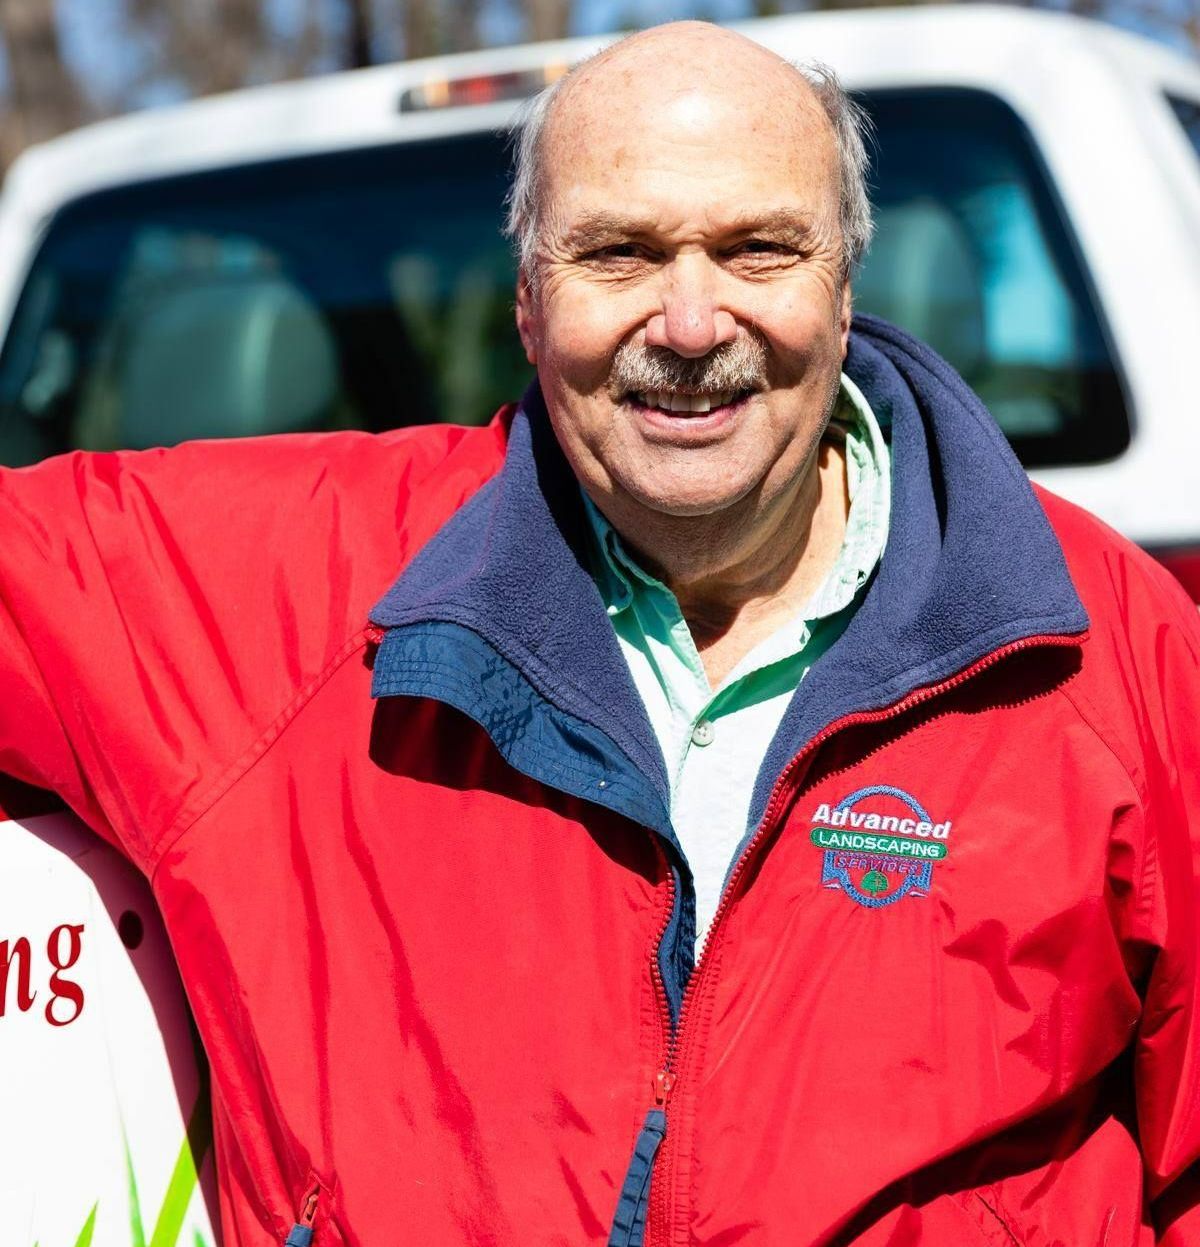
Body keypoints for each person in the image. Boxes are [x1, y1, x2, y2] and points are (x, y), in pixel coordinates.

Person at [2, 20, 1198, 1246]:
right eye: (616, 254)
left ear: (843, 291)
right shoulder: (271, 592)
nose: (689, 323)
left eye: (759, 249)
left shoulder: (1106, 649)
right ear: (527, 305)